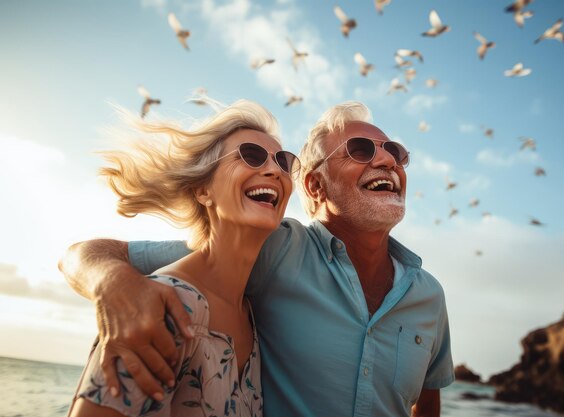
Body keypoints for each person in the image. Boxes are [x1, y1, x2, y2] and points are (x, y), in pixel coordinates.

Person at [61, 101, 454, 417]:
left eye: (397, 152)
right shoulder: (272, 250)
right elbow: (94, 253)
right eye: (361, 150)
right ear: (315, 185)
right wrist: (115, 285)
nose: (388, 161)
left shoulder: (429, 297)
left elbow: (426, 403)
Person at [66, 99, 301, 417]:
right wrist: (110, 278)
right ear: (203, 190)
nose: (274, 170)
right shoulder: (166, 306)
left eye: (284, 162)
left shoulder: (252, 314)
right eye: (251, 155)